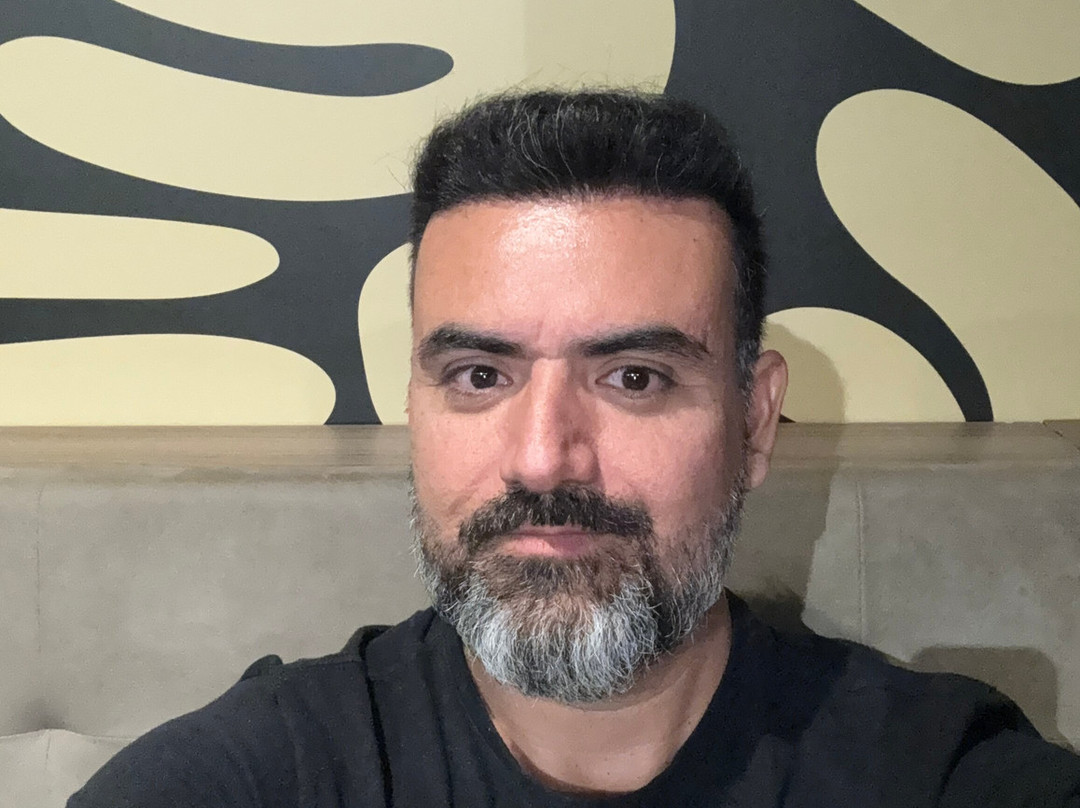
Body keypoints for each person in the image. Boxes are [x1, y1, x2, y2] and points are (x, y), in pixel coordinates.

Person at [69, 89, 1080, 807]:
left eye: (633, 377)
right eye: (480, 375)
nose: (545, 459)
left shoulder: (934, 770)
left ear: (755, 422)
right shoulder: (261, 774)